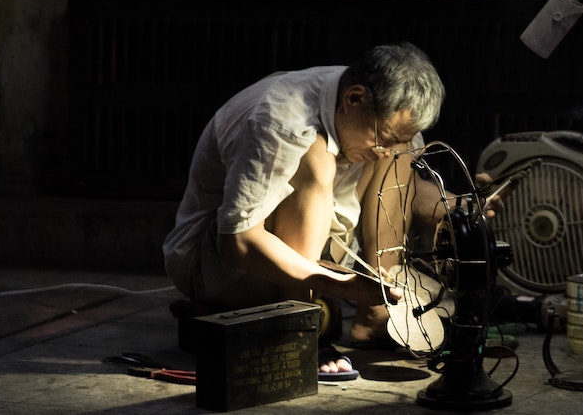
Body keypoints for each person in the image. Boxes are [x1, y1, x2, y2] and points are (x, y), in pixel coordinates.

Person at [163, 41, 446, 379]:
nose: (383, 149)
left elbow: (407, 189)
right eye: (381, 136)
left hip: (311, 253)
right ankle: (298, 327)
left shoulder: (370, 118)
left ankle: (375, 314)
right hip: (216, 264)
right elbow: (236, 242)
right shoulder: (282, 121)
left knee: (402, 155)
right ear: (353, 98)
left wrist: (458, 205)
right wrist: (340, 285)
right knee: (316, 153)